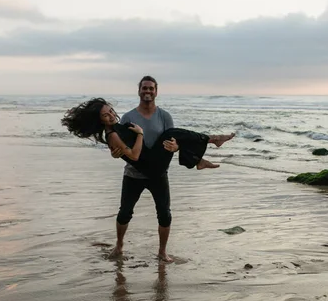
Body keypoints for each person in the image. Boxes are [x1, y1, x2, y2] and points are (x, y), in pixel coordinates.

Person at [62, 77, 234, 262]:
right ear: (139, 90)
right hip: (135, 173)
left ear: (156, 91)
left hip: (157, 170)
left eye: (151, 88)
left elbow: (175, 142)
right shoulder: (127, 119)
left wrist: (175, 148)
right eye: (145, 88)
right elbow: (131, 154)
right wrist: (134, 139)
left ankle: (162, 252)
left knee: (165, 212)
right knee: (125, 212)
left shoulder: (164, 116)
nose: (112, 115)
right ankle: (119, 246)